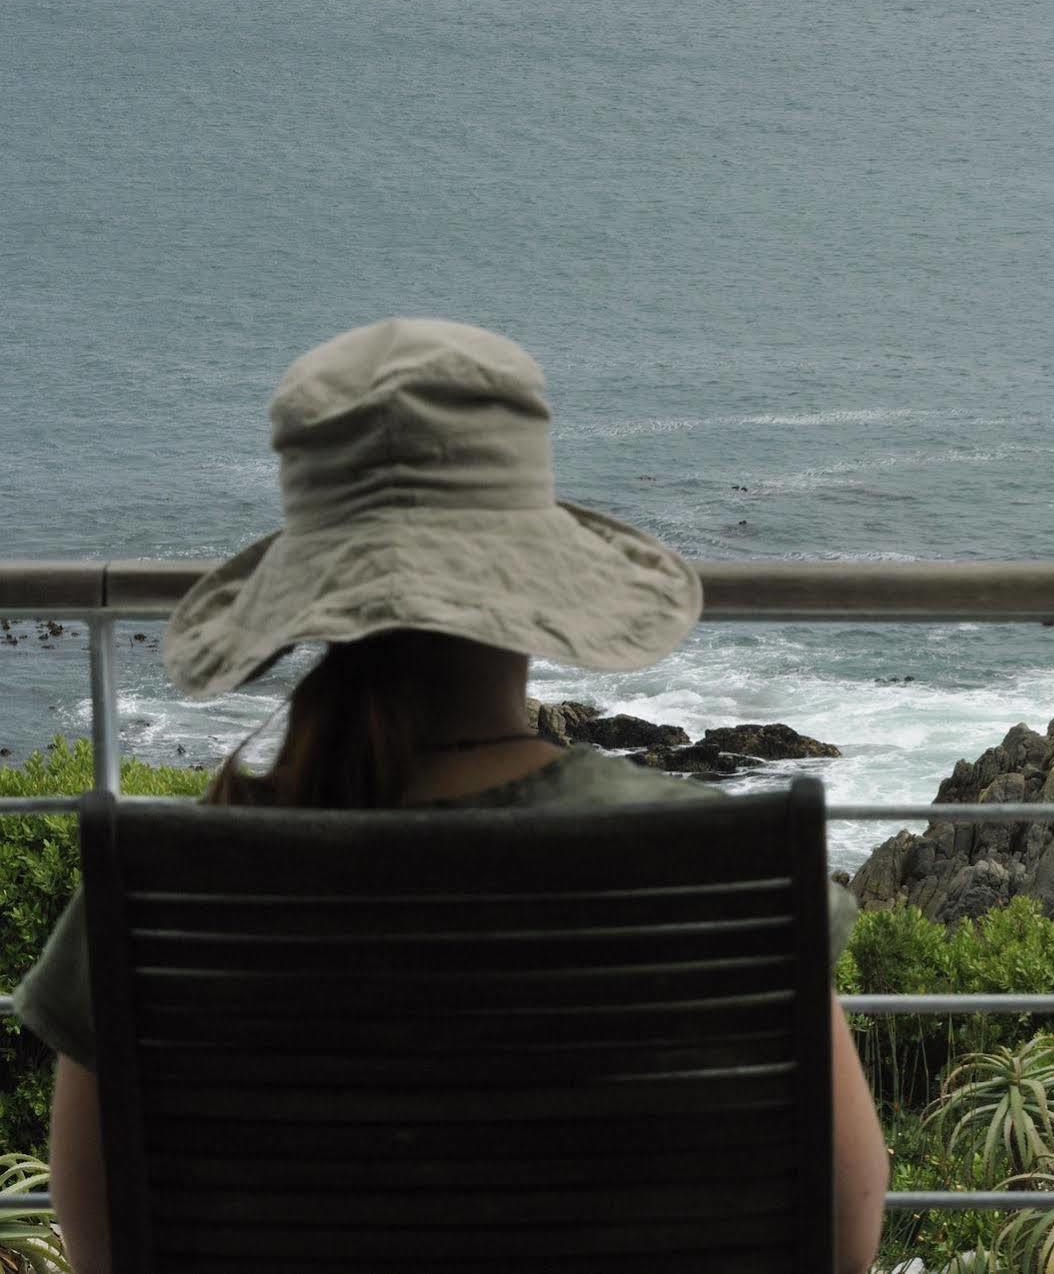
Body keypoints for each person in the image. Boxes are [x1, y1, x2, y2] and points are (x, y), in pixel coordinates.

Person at [10, 318, 888, 1274]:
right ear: (538, 583)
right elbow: (843, 1232)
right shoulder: (731, 869)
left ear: (310, 599)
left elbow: (105, 1250)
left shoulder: (153, 893)